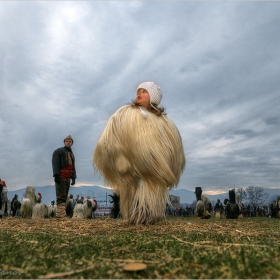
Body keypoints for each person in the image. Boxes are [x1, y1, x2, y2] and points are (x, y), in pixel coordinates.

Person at [93, 82, 185, 224]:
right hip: (131, 165)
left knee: (150, 187)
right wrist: (119, 155)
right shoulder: (125, 114)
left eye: (144, 91)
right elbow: (110, 136)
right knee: (133, 187)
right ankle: (136, 214)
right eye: (139, 91)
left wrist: (168, 162)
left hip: (153, 168)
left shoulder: (164, 122)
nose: (139, 93)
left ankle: (149, 213)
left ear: (153, 97)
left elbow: (174, 146)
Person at [52, 135, 76, 218]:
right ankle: (60, 214)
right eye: (67, 141)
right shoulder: (59, 151)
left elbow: (73, 167)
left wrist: (73, 177)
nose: (68, 142)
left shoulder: (72, 154)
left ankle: (62, 213)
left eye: (70, 141)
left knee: (65, 195)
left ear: (72, 143)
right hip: (61, 176)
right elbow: (55, 164)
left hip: (68, 177)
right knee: (61, 195)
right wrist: (56, 175)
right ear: (64, 142)